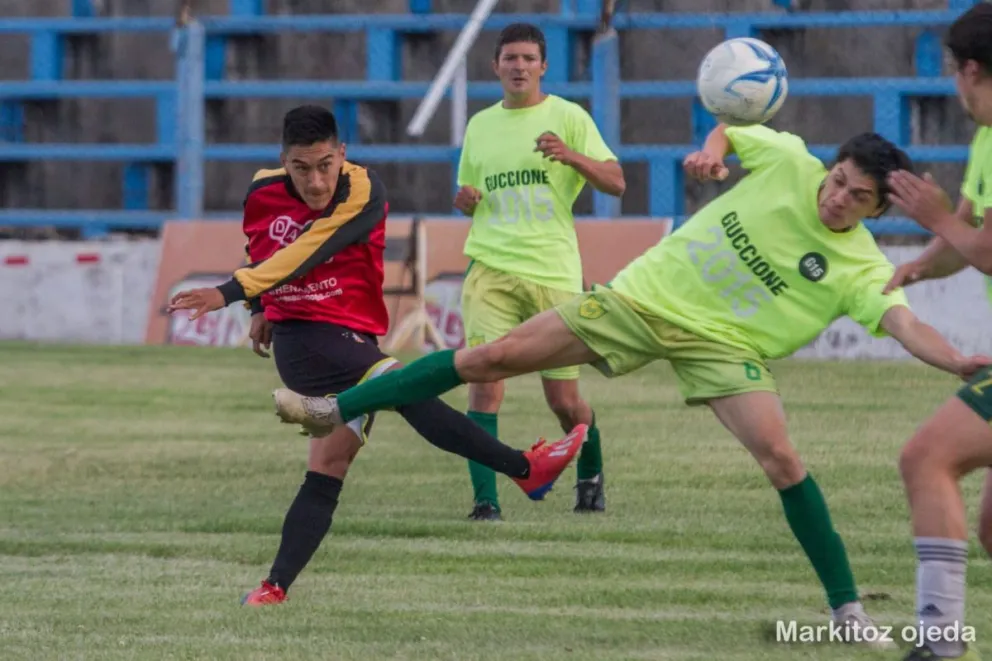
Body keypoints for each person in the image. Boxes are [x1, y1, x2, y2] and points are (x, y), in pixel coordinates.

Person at [273, 120, 992, 643]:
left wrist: (956, 359)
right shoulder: (792, 162)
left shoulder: (863, 266)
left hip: (725, 345)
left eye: (857, 196)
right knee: (489, 358)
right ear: (828, 167)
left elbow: (903, 323)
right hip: (641, 299)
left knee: (783, 458)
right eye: (837, 180)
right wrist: (711, 155)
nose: (837, 198)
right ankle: (335, 405)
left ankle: (847, 613)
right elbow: (733, 129)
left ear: (875, 210)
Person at [166, 104, 586, 606]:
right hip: (303, 341)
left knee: (328, 467)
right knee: (409, 389)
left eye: (325, 165)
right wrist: (255, 301)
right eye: (301, 169)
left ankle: (274, 587)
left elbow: (308, 249)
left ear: (341, 154)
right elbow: (262, 251)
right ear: (284, 162)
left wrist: (230, 291)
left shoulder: (362, 190)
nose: (316, 182)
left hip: (352, 336)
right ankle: (524, 469)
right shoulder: (262, 191)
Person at [452, 23, 625, 520]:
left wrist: (570, 155)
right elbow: (469, 193)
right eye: (510, 58)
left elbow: (616, 182)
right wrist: (464, 201)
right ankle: (485, 501)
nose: (519, 66)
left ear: (543, 66)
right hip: (491, 266)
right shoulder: (480, 125)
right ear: (496, 66)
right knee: (484, 381)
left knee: (564, 398)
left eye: (529, 58)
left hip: (552, 270)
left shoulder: (568, 117)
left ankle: (589, 478)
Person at [879, 4, 992, 660]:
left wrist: (935, 215)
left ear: (969, 70)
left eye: (956, 73)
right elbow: (970, 236)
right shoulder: (985, 142)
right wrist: (922, 263)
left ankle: (939, 645)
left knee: (927, 456)